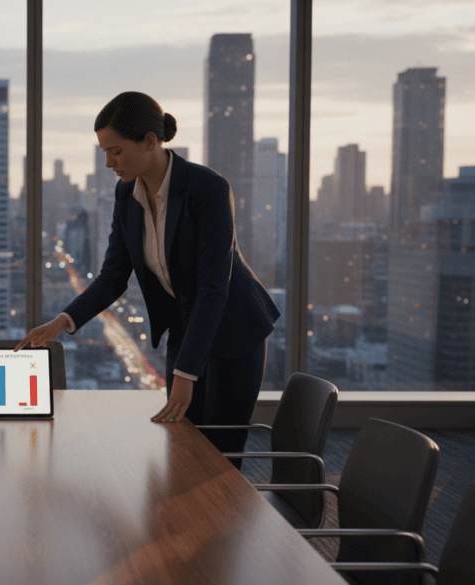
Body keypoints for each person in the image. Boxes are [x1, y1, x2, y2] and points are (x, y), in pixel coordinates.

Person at [15, 92, 279, 465]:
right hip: (188, 329)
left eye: (116, 151)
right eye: (104, 151)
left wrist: (186, 372)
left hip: (234, 331)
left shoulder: (207, 188)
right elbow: (112, 277)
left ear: (151, 142)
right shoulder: (127, 195)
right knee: (181, 447)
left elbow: (213, 288)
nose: (108, 162)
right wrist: (63, 321)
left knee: (219, 458)